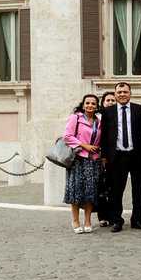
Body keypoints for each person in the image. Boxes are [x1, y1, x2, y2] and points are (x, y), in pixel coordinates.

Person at [99, 81, 141, 233]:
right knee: (116, 190)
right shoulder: (107, 112)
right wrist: (104, 156)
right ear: (115, 94)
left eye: (125, 92)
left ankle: (137, 219)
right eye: (119, 92)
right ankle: (116, 220)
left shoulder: (140, 110)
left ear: (130, 94)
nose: (122, 95)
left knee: (139, 190)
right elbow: (105, 135)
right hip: (117, 156)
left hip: (137, 155)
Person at [63, 94, 101, 234]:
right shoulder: (76, 117)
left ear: (97, 106)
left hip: (93, 160)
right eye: (87, 103)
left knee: (90, 192)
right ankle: (75, 221)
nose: (90, 105)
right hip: (78, 159)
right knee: (76, 191)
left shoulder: (98, 121)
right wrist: (84, 145)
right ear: (83, 104)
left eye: (93, 103)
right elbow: (67, 136)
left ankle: (88, 220)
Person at [95, 91, 117, 227]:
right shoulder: (97, 118)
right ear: (103, 103)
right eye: (107, 100)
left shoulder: (116, 116)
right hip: (98, 156)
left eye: (112, 100)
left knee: (112, 187)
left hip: (112, 157)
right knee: (101, 188)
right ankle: (102, 216)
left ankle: (112, 215)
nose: (110, 102)